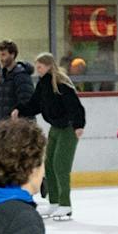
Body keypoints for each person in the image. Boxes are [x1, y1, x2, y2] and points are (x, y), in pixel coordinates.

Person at [22, 55, 84, 221]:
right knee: (49, 164)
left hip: (69, 128)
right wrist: (19, 110)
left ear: (49, 66)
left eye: (40, 66)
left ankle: (65, 204)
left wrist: (79, 125)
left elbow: (76, 106)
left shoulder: (61, 84)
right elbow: (34, 104)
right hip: (55, 128)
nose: (38, 69)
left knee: (60, 165)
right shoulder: (43, 84)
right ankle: (54, 202)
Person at [0, 41, 36, 123]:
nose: (1, 58)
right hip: (6, 124)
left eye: (3, 54)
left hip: (20, 125)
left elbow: (27, 100)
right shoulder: (3, 75)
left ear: (12, 54)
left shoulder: (21, 76)